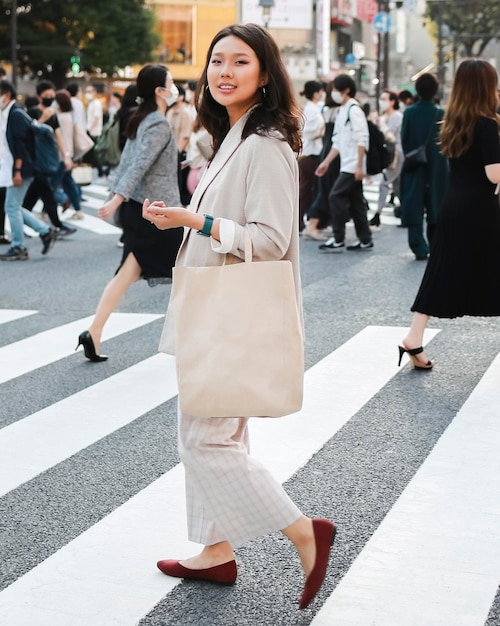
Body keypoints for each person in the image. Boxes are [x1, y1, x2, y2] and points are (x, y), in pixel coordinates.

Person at [142, 23, 336, 610]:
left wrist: (193, 222)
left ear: (265, 72)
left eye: (239, 61)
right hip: (215, 306)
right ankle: (216, 549)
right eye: (216, 61)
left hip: (234, 312)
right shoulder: (233, 133)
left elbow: (273, 239)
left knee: (206, 439)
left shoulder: (266, 143)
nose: (224, 72)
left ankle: (305, 531)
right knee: (209, 429)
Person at [76, 64, 183, 361]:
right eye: (170, 83)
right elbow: (139, 165)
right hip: (157, 213)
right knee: (188, 270)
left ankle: (94, 332)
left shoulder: (141, 119)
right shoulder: (158, 123)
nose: (174, 87)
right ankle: (192, 342)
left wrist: (119, 198)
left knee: (127, 275)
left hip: (143, 211)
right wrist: (115, 200)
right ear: (160, 91)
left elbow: (129, 163)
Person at [399, 59, 500, 369]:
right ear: (487, 87)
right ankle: (413, 339)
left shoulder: (453, 121)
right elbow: (494, 174)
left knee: (440, 272)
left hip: (453, 207)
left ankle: (414, 338)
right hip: (481, 211)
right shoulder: (487, 124)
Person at [0, 80, 57, 261]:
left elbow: (21, 146)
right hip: (15, 168)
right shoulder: (9, 113)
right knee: (13, 206)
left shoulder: (15, 114)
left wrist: (17, 171)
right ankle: (45, 231)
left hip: (22, 169)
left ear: (6, 95)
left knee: (11, 206)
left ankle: (19, 246)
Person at [315, 74, 373, 252]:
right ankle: (365, 239)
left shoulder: (354, 109)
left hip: (352, 165)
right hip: (347, 164)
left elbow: (363, 138)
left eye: (335, 89)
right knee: (356, 202)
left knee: (335, 196)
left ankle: (338, 237)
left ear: (346, 90)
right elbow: (338, 142)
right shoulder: (343, 110)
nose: (333, 93)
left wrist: (359, 165)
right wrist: (326, 162)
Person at [399, 73, 448, 260]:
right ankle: (436, 245)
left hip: (415, 164)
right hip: (438, 166)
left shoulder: (409, 112)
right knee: (436, 205)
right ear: (435, 90)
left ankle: (418, 247)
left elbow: (404, 140)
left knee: (414, 205)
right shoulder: (441, 113)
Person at [304, 82, 340, 240]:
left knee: (323, 190)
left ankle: (325, 225)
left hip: (324, 152)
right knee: (322, 190)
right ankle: (312, 225)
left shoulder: (324, 110)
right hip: (326, 154)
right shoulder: (329, 111)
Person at [370, 90, 403, 228]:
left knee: (384, 183)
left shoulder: (397, 116)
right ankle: (407, 211)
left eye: (384, 99)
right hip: (389, 154)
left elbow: (390, 135)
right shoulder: (383, 117)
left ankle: (377, 214)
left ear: (392, 101)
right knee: (397, 186)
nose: (381, 101)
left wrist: (378, 124)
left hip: (396, 154)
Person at [298, 80, 325, 234]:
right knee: (311, 189)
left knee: (306, 189)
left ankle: (303, 222)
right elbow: (309, 131)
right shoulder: (312, 110)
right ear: (316, 93)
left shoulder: (311, 108)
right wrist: (321, 132)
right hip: (311, 154)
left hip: (308, 154)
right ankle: (312, 222)